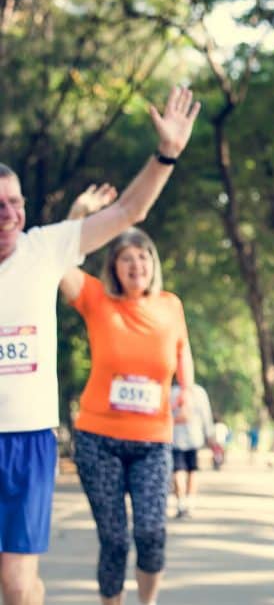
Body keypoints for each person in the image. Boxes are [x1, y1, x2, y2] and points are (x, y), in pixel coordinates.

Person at [0, 86, 199, 605]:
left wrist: (167, 154)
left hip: (28, 440)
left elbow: (130, 209)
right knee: (79, 554)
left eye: (16, 202)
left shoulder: (42, 250)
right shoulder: (86, 288)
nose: (10, 214)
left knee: (18, 587)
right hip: (96, 435)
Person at [59, 221, 193, 605]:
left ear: (153, 262)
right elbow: (61, 264)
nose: (136, 264)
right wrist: (78, 217)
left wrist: (185, 390)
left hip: (153, 441)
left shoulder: (171, 305)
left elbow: (182, 350)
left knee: (151, 534)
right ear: (113, 268)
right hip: (98, 440)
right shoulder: (97, 299)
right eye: (126, 258)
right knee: (114, 539)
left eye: (142, 256)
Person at [170, 381, 216, 518]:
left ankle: (181, 503)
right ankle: (189, 502)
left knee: (178, 470)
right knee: (192, 470)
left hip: (175, 437)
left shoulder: (172, 392)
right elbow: (206, 415)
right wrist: (209, 434)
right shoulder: (199, 392)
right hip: (194, 437)